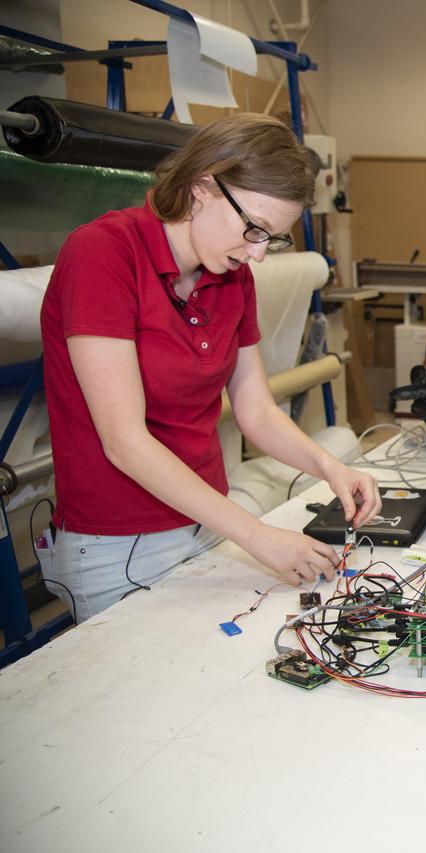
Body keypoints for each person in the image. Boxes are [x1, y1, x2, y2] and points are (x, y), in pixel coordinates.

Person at [39, 113, 381, 622]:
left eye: (274, 238)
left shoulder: (229, 270)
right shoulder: (103, 254)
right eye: (255, 229)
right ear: (202, 187)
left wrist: (329, 467)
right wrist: (257, 535)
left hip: (204, 523)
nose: (260, 254)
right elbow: (124, 441)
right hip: (114, 545)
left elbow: (256, 409)